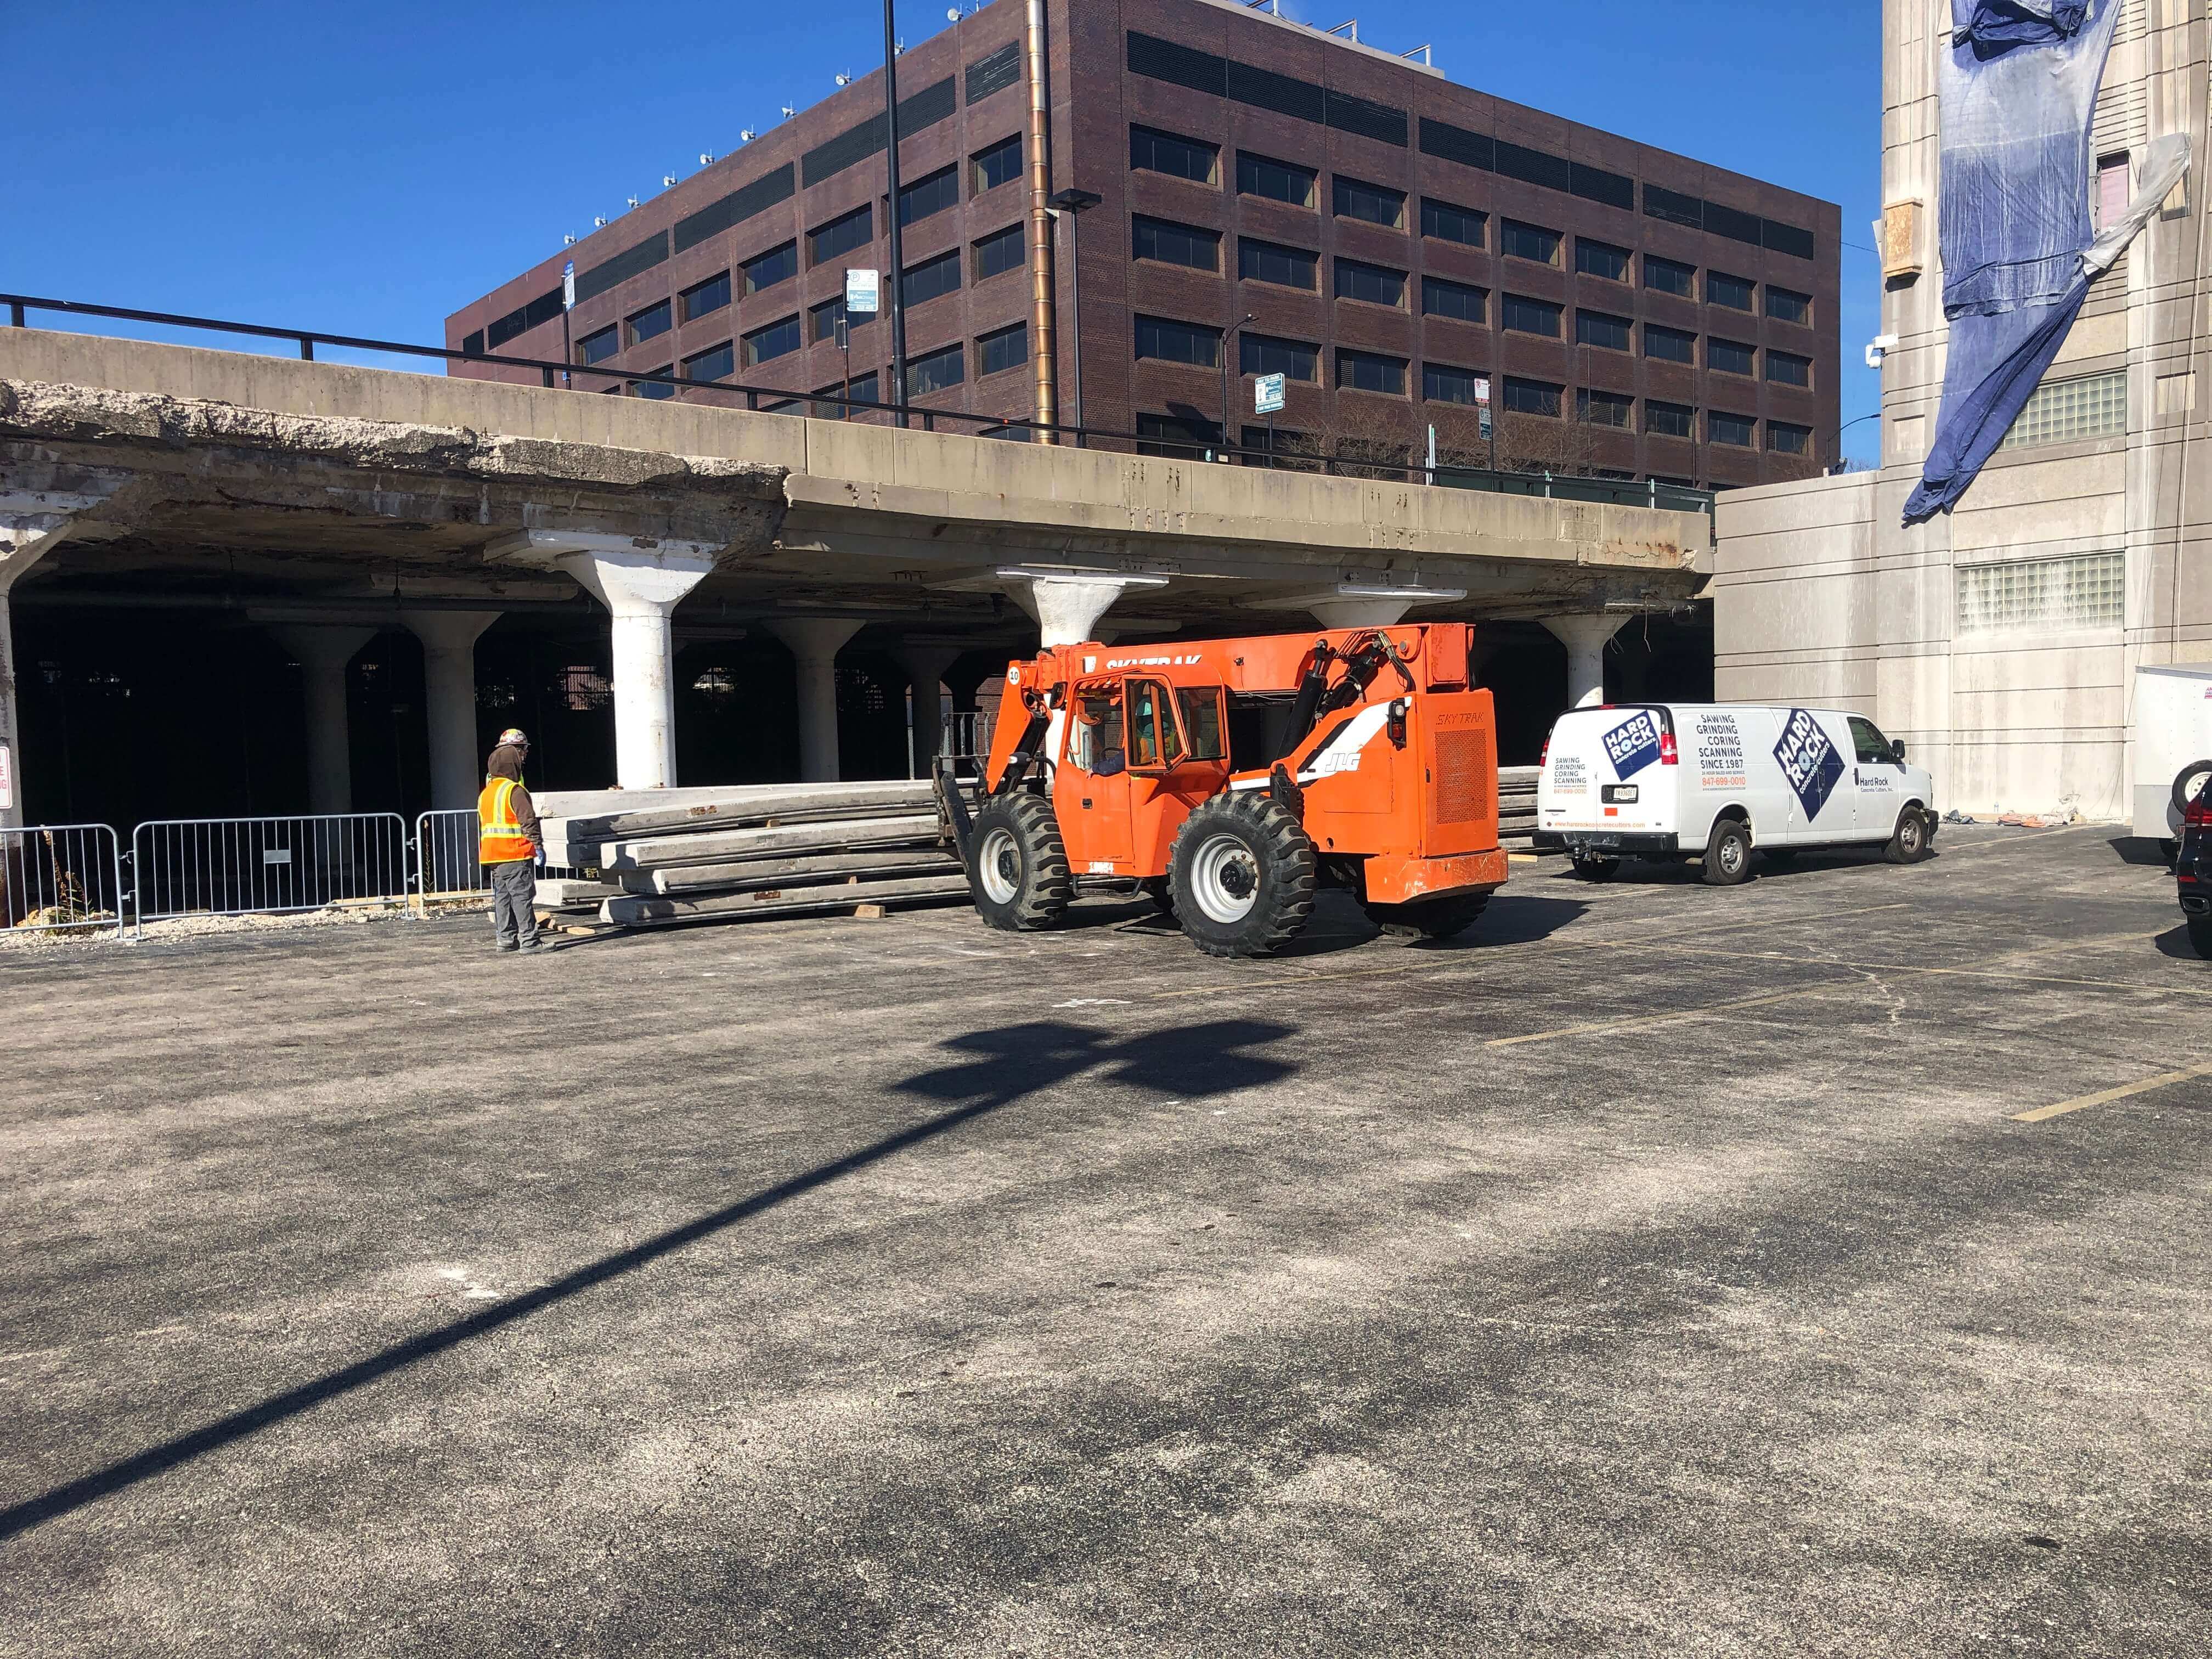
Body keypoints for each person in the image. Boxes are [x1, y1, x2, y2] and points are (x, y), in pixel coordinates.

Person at [479, 727, 549, 953]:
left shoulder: (486, 793)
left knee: (503, 897)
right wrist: (537, 846)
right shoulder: (514, 790)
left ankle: (506, 939)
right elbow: (528, 821)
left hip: (493, 855)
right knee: (522, 897)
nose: (523, 756)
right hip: (515, 853)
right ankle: (530, 941)